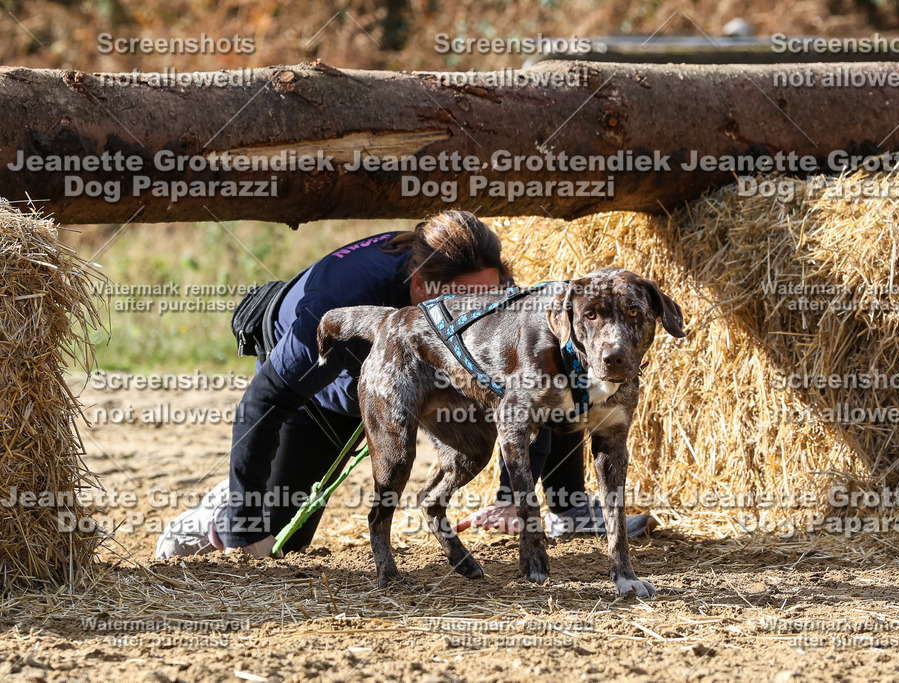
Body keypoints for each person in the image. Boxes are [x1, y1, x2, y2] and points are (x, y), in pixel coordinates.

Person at [156, 210, 654, 559]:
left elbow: (531, 392)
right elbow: (260, 406)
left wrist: (508, 494)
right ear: (422, 289)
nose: (483, 316)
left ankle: (568, 507)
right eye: (468, 308)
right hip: (329, 391)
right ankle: (223, 512)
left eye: (492, 300)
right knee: (281, 536)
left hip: (435, 370)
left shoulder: (494, 293)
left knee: (560, 372)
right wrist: (246, 530)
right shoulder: (334, 298)